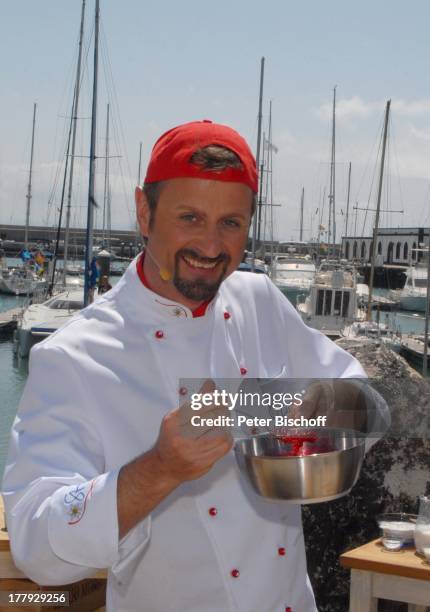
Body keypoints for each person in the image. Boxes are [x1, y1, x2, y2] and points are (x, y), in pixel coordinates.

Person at [3, 120, 377, 612]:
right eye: (190, 217)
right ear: (144, 211)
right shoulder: (73, 355)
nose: (211, 246)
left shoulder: (259, 299)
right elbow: (35, 544)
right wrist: (158, 470)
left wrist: (322, 409)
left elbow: (357, 393)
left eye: (231, 223)